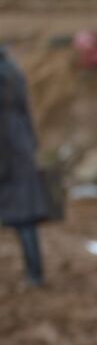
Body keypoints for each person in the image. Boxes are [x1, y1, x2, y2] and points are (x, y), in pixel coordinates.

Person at [0, 47, 51, 287]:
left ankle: (34, 275)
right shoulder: (14, 71)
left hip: (8, 153)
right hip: (21, 148)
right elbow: (26, 112)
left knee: (23, 220)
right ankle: (35, 274)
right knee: (25, 220)